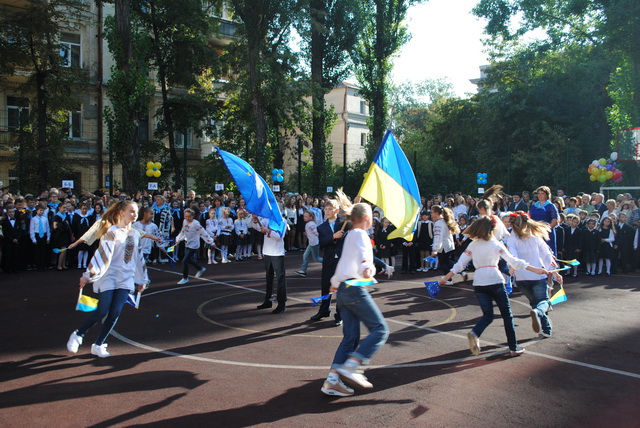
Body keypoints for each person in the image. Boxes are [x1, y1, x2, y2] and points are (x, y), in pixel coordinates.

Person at [439, 216, 548, 357]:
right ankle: (513, 347)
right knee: (507, 316)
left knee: (487, 315)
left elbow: (460, 264)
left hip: (479, 283)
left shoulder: (473, 245)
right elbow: (514, 261)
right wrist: (536, 270)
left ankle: (475, 332)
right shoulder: (496, 244)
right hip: (495, 281)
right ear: (492, 229)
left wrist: (445, 278)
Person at [321, 190, 389, 397]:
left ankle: (332, 381)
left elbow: (344, 262)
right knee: (380, 330)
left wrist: (335, 283)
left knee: (350, 337)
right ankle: (353, 365)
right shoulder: (360, 234)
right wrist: (367, 267)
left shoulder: (350, 234)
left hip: (343, 289)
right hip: (354, 288)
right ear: (367, 218)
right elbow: (363, 256)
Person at [66, 201, 149, 358]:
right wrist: (89, 274)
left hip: (126, 277)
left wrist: (142, 279)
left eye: (136, 212)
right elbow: (102, 256)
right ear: (121, 212)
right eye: (131, 211)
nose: (135, 215)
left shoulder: (135, 234)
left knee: (115, 312)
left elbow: (139, 257)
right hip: (109, 275)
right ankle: (78, 334)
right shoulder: (112, 232)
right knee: (102, 310)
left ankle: (98, 344)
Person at [506, 212, 562, 338]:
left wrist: (512, 267)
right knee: (544, 302)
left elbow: (513, 258)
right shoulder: (535, 236)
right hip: (537, 276)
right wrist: (555, 273)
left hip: (521, 278)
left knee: (535, 302)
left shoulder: (511, 239)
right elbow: (546, 255)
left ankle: (546, 329)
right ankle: (538, 313)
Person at [311, 199, 345, 325]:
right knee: (326, 286)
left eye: (330, 209)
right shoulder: (321, 227)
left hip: (341, 260)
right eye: (326, 209)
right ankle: (324, 310)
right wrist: (333, 237)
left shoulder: (343, 223)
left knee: (340, 288)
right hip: (329, 260)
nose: (327, 211)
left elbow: (353, 220)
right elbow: (322, 243)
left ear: (337, 210)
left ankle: (340, 315)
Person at [254, 216, 287, 314]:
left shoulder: (282, 220)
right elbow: (257, 228)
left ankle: (281, 304)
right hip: (267, 251)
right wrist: (255, 220)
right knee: (269, 277)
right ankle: (268, 300)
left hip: (277, 253)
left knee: (280, 278)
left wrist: (268, 231)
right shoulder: (267, 219)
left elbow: (280, 236)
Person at [175, 208, 215, 285]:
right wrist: (178, 239)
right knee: (188, 260)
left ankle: (185, 278)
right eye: (186, 216)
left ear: (193, 216)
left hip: (194, 244)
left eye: (189, 217)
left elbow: (203, 233)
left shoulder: (196, 224)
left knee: (185, 261)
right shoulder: (184, 221)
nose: (187, 218)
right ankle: (200, 268)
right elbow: (183, 231)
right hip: (188, 242)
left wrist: (211, 242)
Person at [431, 205, 459, 280]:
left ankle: (448, 279)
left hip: (443, 246)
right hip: (449, 245)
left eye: (432, 212)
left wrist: (435, 249)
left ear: (436, 213)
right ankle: (462, 271)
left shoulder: (438, 223)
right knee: (448, 262)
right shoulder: (445, 221)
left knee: (443, 263)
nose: (431, 214)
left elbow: (438, 237)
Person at [529, 186, 559, 256]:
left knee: (547, 252)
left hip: (547, 233)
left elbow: (555, 221)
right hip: (535, 232)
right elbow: (530, 219)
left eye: (542, 193)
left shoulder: (551, 206)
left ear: (547, 195)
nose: (540, 195)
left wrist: (544, 230)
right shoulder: (533, 206)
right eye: (538, 193)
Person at [295, 210, 323, 276]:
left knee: (316, 258)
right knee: (305, 255)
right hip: (311, 243)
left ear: (310, 217)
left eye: (306, 216)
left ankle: (330, 261)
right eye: (304, 216)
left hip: (314, 243)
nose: (304, 218)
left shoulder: (311, 224)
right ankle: (303, 270)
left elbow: (314, 229)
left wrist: (316, 233)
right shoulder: (310, 223)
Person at [29, 204, 50, 270]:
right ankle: (38, 265)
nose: (41, 212)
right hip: (37, 235)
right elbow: (32, 229)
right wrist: (33, 239)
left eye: (43, 210)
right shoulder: (33, 219)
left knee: (43, 251)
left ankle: (43, 264)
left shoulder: (45, 219)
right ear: (36, 211)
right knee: (37, 251)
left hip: (44, 235)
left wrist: (48, 238)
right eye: (40, 210)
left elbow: (47, 228)